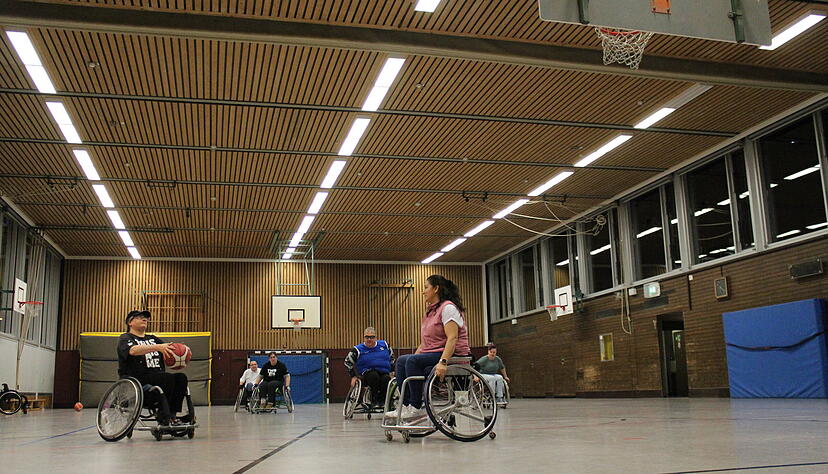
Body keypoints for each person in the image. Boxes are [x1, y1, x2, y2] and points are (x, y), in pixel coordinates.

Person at [387, 274, 470, 422]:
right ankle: (405, 406)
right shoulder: (430, 311)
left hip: (451, 353)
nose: (423, 291)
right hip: (433, 351)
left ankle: (416, 406)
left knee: (411, 361)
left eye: (426, 287)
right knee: (401, 361)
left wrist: (443, 362)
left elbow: (452, 338)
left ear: (436, 288)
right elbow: (426, 342)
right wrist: (415, 356)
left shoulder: (448, 308)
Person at [117, 310, 189, 425]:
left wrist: (181, 355)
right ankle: (163, 415)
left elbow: (168, 350)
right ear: (130, 322)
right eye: (140, 317)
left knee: (181, 377)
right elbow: (133, 350)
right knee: (166, 378)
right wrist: (158, 347)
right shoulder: (125, 338)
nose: (144, 319)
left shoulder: (153, 338)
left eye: (145, 317)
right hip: (139, 381)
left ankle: (172, 415)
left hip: (158, 377)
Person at [344, 327, 394, 407]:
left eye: (372, 337)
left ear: (376, 337)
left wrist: (392, 371)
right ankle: (373, 398)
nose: (369, 339)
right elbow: (347, 362)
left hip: (384, 372)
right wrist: (353, 376)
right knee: (374, 376)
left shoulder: (384, 345)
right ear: (364, 338)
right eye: (367, 337)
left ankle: (382, 400)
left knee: (386, 379)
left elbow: (392, 358)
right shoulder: (358, 349)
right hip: (367, 373)